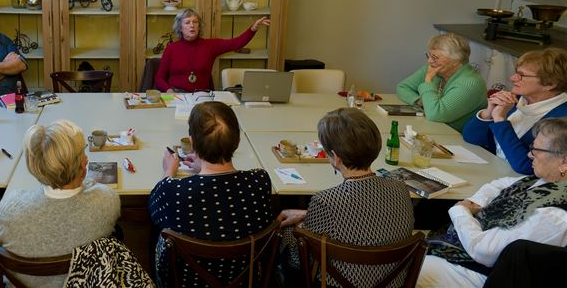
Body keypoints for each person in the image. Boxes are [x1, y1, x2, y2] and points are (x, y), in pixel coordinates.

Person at [418, 118, 567, 288]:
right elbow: (499, 184)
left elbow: (483, 251)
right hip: (461, 252)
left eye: (536, 150)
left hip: (476, 274)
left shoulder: (554, 216)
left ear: (564, 161)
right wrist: (473, 203)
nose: (529, 154)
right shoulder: (546, 184)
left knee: (391, 269)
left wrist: (461, 211)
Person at [277, 108, 414, 286]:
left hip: (340, 283)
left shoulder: (326, 201)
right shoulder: (400, 188)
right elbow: (364, 216)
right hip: (390, 281)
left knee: (288, 233)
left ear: (335, 158)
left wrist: (300, 226)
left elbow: (302, 259)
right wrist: (308, 213)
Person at [149, 101, 272, 287]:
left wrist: (168, 172)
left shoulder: (173, 191)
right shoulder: (260, 181)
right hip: (245, 281)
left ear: (191, 143)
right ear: (237, 141)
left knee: (156, 232)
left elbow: (154, 207)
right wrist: (202, 166)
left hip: (186, 281)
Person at [0, 120, 120, 288]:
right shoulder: (106, 201)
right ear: (82, 164)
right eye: (82, 152)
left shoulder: (9, 210)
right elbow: (94, 188)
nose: (86, 157)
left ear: (35, 165)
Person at [463, 48, 567, 174]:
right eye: (516, 72)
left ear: (549, 84)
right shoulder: (515, 99)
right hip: (493, 171)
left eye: (522, 75)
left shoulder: (562, 120)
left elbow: (527, 167)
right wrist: (489, 113)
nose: (512, 78)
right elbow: (471, 138)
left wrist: (501, 122)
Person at [154, 8, 270, 92]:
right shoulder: (171, 48)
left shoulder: (211, 45)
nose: (192, 26)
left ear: (199, 27)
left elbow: (237, 42)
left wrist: (253, 28)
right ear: (180, 27)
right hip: (177, 95)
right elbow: (159, 78)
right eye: (187, 22)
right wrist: (169, 91)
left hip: (202, 96)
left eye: (195, 22)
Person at [396, 32, 487, 132]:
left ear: (456, 61)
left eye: (435, 57)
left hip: (457, 140)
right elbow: (402, 87)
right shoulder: (435, 68)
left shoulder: (470, 83)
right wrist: (419, 101)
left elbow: (435, 114)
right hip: (433, 130)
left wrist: (428, 81)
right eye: (429, 55)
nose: (429, 61)